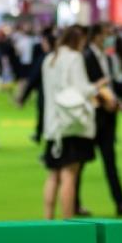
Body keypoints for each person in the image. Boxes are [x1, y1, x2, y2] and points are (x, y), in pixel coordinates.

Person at [42, 26, 104, 220]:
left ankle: (47, 219)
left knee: (53, 174)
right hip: (71, 123)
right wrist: (98, 86)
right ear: (79, 40)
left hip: (53, 124)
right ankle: (67, 220)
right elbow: (81, 89)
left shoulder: (49, 59)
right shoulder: (75, 58)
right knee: (69, 174)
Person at [84, 23, 122, 217]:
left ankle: (120, 202)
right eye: (107, 34)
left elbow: (111, 84)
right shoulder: (86, 57)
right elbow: (86, 86)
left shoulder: (107, 58)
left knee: (110, 160)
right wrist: (104, 101)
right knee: (80, 161)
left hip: (108, 116)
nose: (110, 38)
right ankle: (74, 203)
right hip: (92, 116)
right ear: (96, 36)